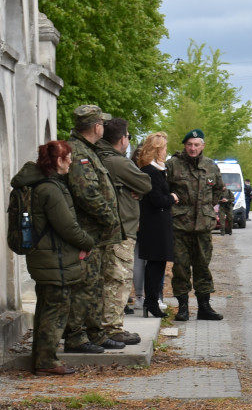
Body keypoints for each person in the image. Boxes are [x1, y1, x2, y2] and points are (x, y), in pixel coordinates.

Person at [12, 141, 95, 375]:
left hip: (45, 258)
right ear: (58, 161)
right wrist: (88, 243)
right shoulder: (50, 189)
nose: (71, 163)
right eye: (68, 158)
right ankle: (47, 361)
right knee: (56, 309)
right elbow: (67, 226)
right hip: (54, 261)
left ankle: (42, 358)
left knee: (47, 307)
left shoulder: (37, 184)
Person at [64, 105, 124, 353]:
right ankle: (76, 337)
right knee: (84, 285)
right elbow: (86, 193)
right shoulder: (79, 153)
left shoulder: (89, 150)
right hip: (88, 233)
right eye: (102, 123)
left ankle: (95, 333)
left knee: (95, 284)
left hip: (97, 235)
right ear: (96, 126)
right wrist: (110, 217)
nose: (103, 126)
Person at [96, 118, 152, 345]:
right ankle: (112, 328)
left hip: (111, 228)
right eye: (128, 137)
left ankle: (108, 326)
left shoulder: (98, 156)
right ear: (122, 139)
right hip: (120, 230)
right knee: (118, 279)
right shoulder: (117, 162)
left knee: (109, 279)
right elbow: (146, 183)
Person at [166, 129, 226, 321]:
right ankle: (183, 307)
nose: (193, 148)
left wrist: (206, 208)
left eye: (197, 144)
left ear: (203, 146)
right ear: (185, 145)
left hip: (203, 226)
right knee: (181, 268)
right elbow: (163, 190)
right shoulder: (173, 165)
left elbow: (218, 190)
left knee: (203, 266)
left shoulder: (211, 166)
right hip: (179, 225)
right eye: (190, 144)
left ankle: (204, 307)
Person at [135, 132, 176, 318]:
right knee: (154, 263)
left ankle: (151, 300)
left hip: (158, 223)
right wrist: (172, 198)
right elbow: (157, 199)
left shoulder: (156, 170)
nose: (166, 151)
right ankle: (150, 301)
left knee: (157, 264)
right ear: (158, 150)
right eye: (165, 148)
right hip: (154, 225)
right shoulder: (151, 172)